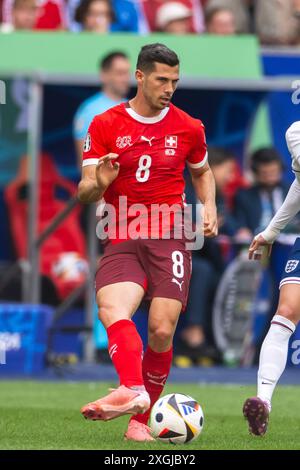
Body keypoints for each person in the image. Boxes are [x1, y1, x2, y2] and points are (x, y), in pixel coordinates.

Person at [77, 43, 217, 442]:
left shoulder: (189, 126)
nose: (169, 87)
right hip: (121, 230)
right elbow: (85, 190)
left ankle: (139, 421)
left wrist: (209, 206)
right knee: (111, 308)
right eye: (161, 79)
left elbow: (202, 170)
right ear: (139, 77)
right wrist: (99, 183)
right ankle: (134, 392)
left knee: (160, 329)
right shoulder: (105, 124)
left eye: (174, 80)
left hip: (170, 233)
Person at [243, 121, 300, 436]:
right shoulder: (295, 132)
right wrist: (271, 232)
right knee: (286, 311)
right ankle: (262, 403)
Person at [73, 51, 130, 166]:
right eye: (119, 73)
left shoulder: (134, 107)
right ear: (104, 75)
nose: (125, 78)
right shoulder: (89, 110)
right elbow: (84, 164)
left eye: (127, 73)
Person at [234, 148, 288, 240]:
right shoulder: (244, 196)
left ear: (280, 169)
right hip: (257, 242)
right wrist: (242, 230)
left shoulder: (293, 192)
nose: (270, 178)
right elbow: (240, 224)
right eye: (265, 174)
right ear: (256, 173)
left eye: (273, 172)